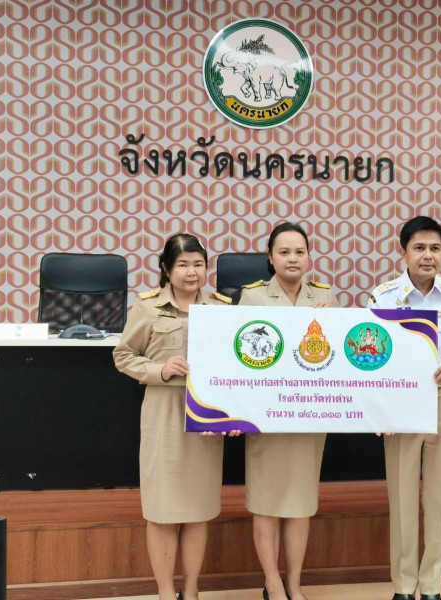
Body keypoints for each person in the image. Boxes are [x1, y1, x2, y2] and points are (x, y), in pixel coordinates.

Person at [367, 216, 441, 600]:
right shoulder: (384, 297)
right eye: (419, 247)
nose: (427, 256)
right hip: (401, 406)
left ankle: (432, 585)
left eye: (435, 248)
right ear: (402, 251)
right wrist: (379, 409)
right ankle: (404, 586)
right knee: (402, 498)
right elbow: (367, 357)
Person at [113, 233, 235, 600]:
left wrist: (233, 414)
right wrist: (160, 369)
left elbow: (237, 365)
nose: (191, 272)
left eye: (198, 264)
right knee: (162, 510)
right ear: (166, 269)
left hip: (206, 416)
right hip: (164, 412)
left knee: (198, 509)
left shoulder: (221, 307)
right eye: (182, 264)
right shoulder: (148, 306)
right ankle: (166, 592)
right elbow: (123, 356)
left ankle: (191, 590)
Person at [239, 221, 339, 600]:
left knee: (300, 504)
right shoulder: (252, 298)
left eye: (299, 251)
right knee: (266, 504)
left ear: (309, 256)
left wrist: (330, 324)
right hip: (267, 416)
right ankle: (273, 583)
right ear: (270, 257)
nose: (292, 258)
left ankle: (295, 583)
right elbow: (241, 356)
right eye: (284, 252)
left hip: (310, 414)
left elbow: (337, 357)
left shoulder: (326, 297)